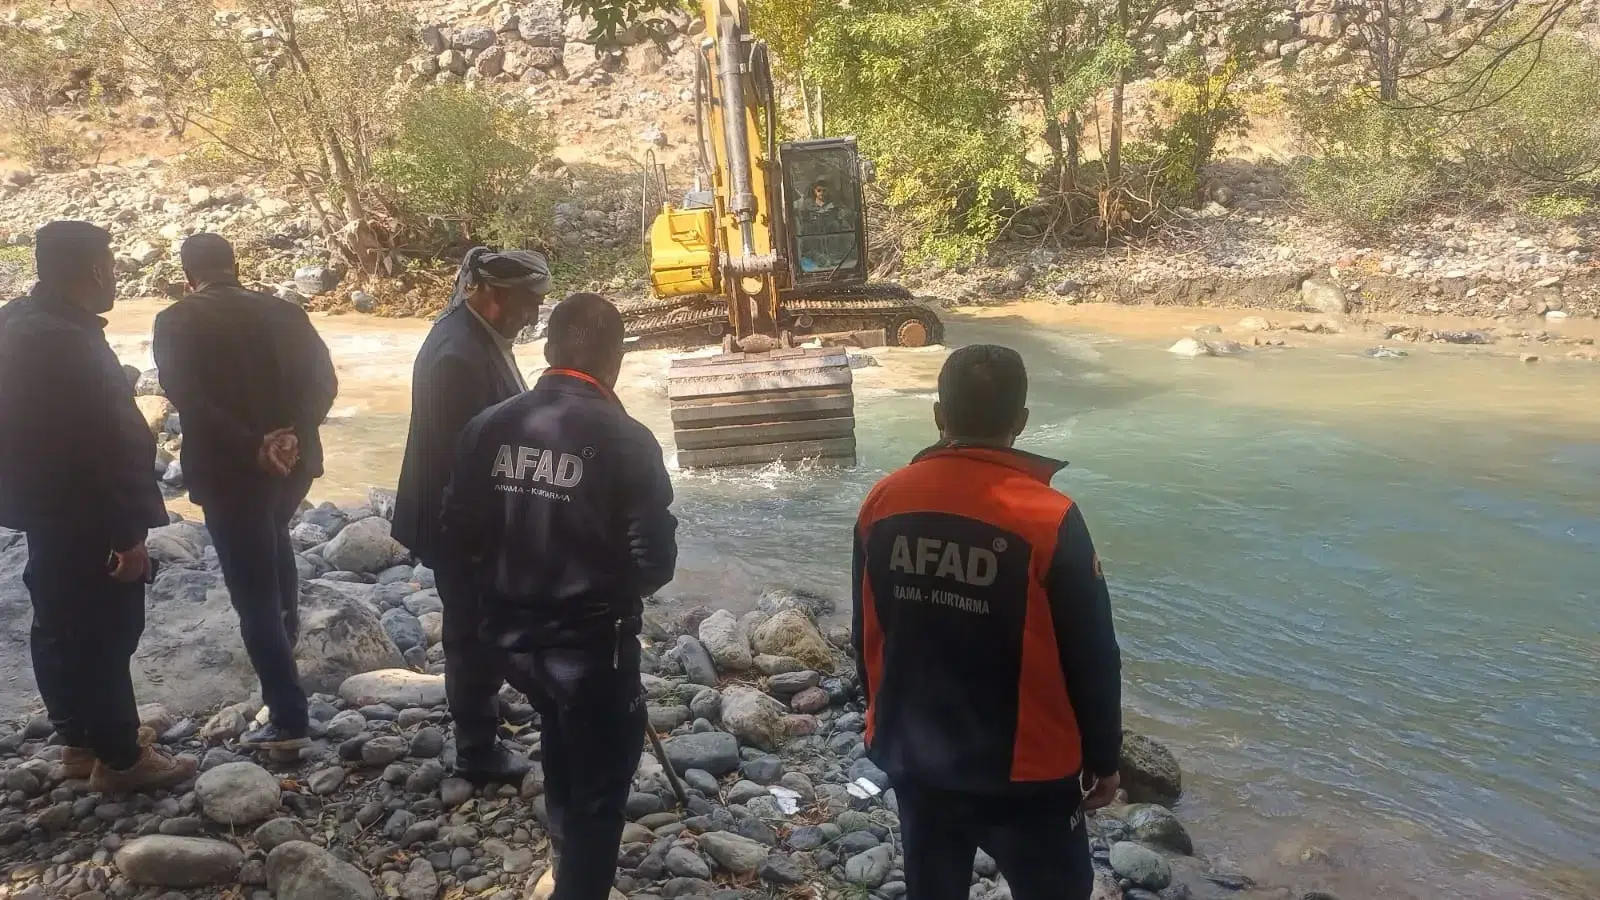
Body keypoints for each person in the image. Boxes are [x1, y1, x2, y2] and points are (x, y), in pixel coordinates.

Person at [851, 344, 1123, 900]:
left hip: (917, 757)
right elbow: (1092, 654)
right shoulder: (1049, 517)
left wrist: (883, 721)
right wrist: (1104, 757)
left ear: (938, 416)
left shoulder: (883, 501)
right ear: (1021, 422)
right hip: (1025, 773)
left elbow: (867, 631)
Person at [442, 293, 676, 900]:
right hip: (589, 652)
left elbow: (457, 535)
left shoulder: (489, 425)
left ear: (546, 349)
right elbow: (654, 563)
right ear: (615, 360)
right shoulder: (627, 439)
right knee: (601, 794)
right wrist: (603, 597)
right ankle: (578, 879)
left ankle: (562, 854)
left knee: (559, 730)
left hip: (511, 647)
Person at [0, 221, 195, 793]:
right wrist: (128, 534)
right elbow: (100, 446)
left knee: (58, 622)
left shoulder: (15, 321)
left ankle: (78, 743)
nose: (114, 276)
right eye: (110, 266)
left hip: (40, 506)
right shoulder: (68, 341)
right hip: (85, 510)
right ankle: (122, 759)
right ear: (94, 271)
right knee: (107, 629)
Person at [152, 233, 338, 751]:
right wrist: (294, 434)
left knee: (251, 591)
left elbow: (186, 395)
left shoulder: (176, 319)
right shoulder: (285, 311)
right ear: (235, 265)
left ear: (189, 275)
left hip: (230, 470)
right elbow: (324, 381)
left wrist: (253, 443)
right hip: (293, 465)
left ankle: (288, 716)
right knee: (274, 539)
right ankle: (287, 653)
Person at [393, 246, 548, 783]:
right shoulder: (456, 357)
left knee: (478, 626)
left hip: (460, 515)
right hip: (456, 520)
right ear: (487, 292)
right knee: (470, 632)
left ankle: (481, 708)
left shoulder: (474, 332)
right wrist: (486, 535)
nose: (532, 314)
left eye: (538, 302)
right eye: (525, 302)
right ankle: (476, 750)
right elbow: (459, 461)